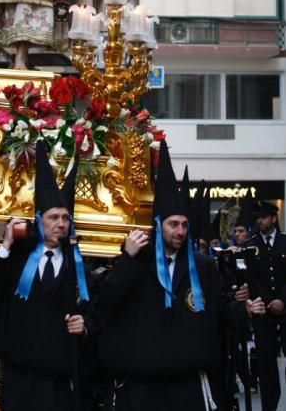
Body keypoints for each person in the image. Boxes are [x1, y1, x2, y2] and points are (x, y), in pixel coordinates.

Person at [93, 140, 264, 411]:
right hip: (141, 386)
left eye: (184, 225)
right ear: (159, 226)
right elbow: (106, 300)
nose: (181, 231)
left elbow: (219, 309)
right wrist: (128, 259)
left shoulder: (203, 266)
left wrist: (243, 310)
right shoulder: (136, 263)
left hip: (187, 387)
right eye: (173, 224)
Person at [0, 141, 89, 411]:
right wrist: (6, 246)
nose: (61, 224)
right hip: (15, 378)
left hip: (56, 381)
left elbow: (93, 309)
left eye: (65, 218)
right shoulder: (16, 258)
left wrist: (86, 325)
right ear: (38, 219)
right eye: (53, 218)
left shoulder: (78, 264)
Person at [246, 200, 286, 411]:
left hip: (285, 310)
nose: (259, 221)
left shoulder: (285, 242)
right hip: (264, 314)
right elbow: (251, 280)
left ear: (273, 218)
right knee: (267, 366)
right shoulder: (250, 245)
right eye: (257, 217)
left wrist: (283, 300)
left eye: (263, 217)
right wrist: (269, 301)